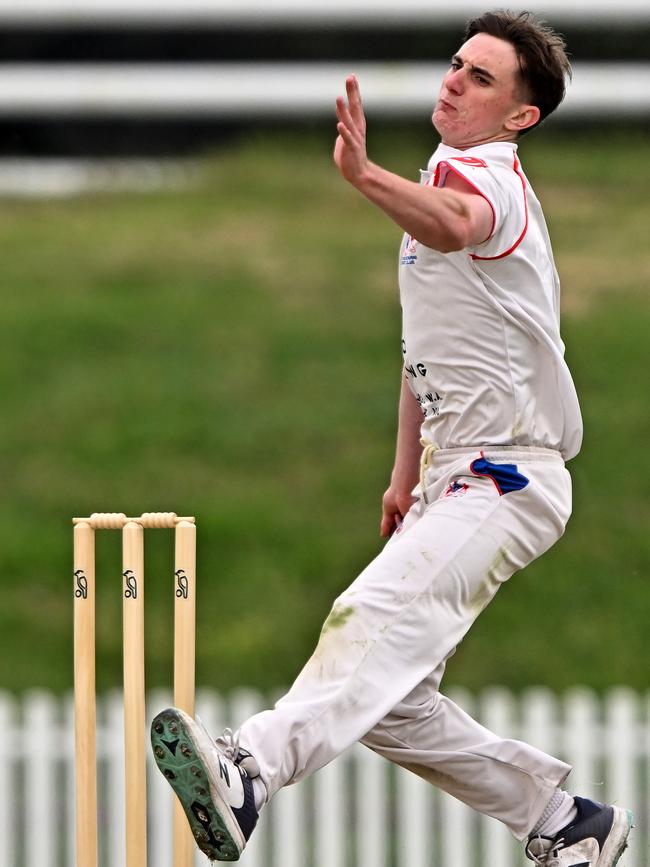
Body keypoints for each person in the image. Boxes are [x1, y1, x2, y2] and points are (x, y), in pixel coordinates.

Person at [151, 11, 633, 866]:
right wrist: (403, 470)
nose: (455, 79)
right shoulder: (440, 184)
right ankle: (565, 821)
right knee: (393, 703)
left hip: (507, 475)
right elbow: (426, 352)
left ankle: (250, 769)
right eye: (457, 64)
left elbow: (456, 221)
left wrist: (362, 173)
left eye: (482, 77)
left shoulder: (491, 182)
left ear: (522, 115)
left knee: (364, 622)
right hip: (456, 472)